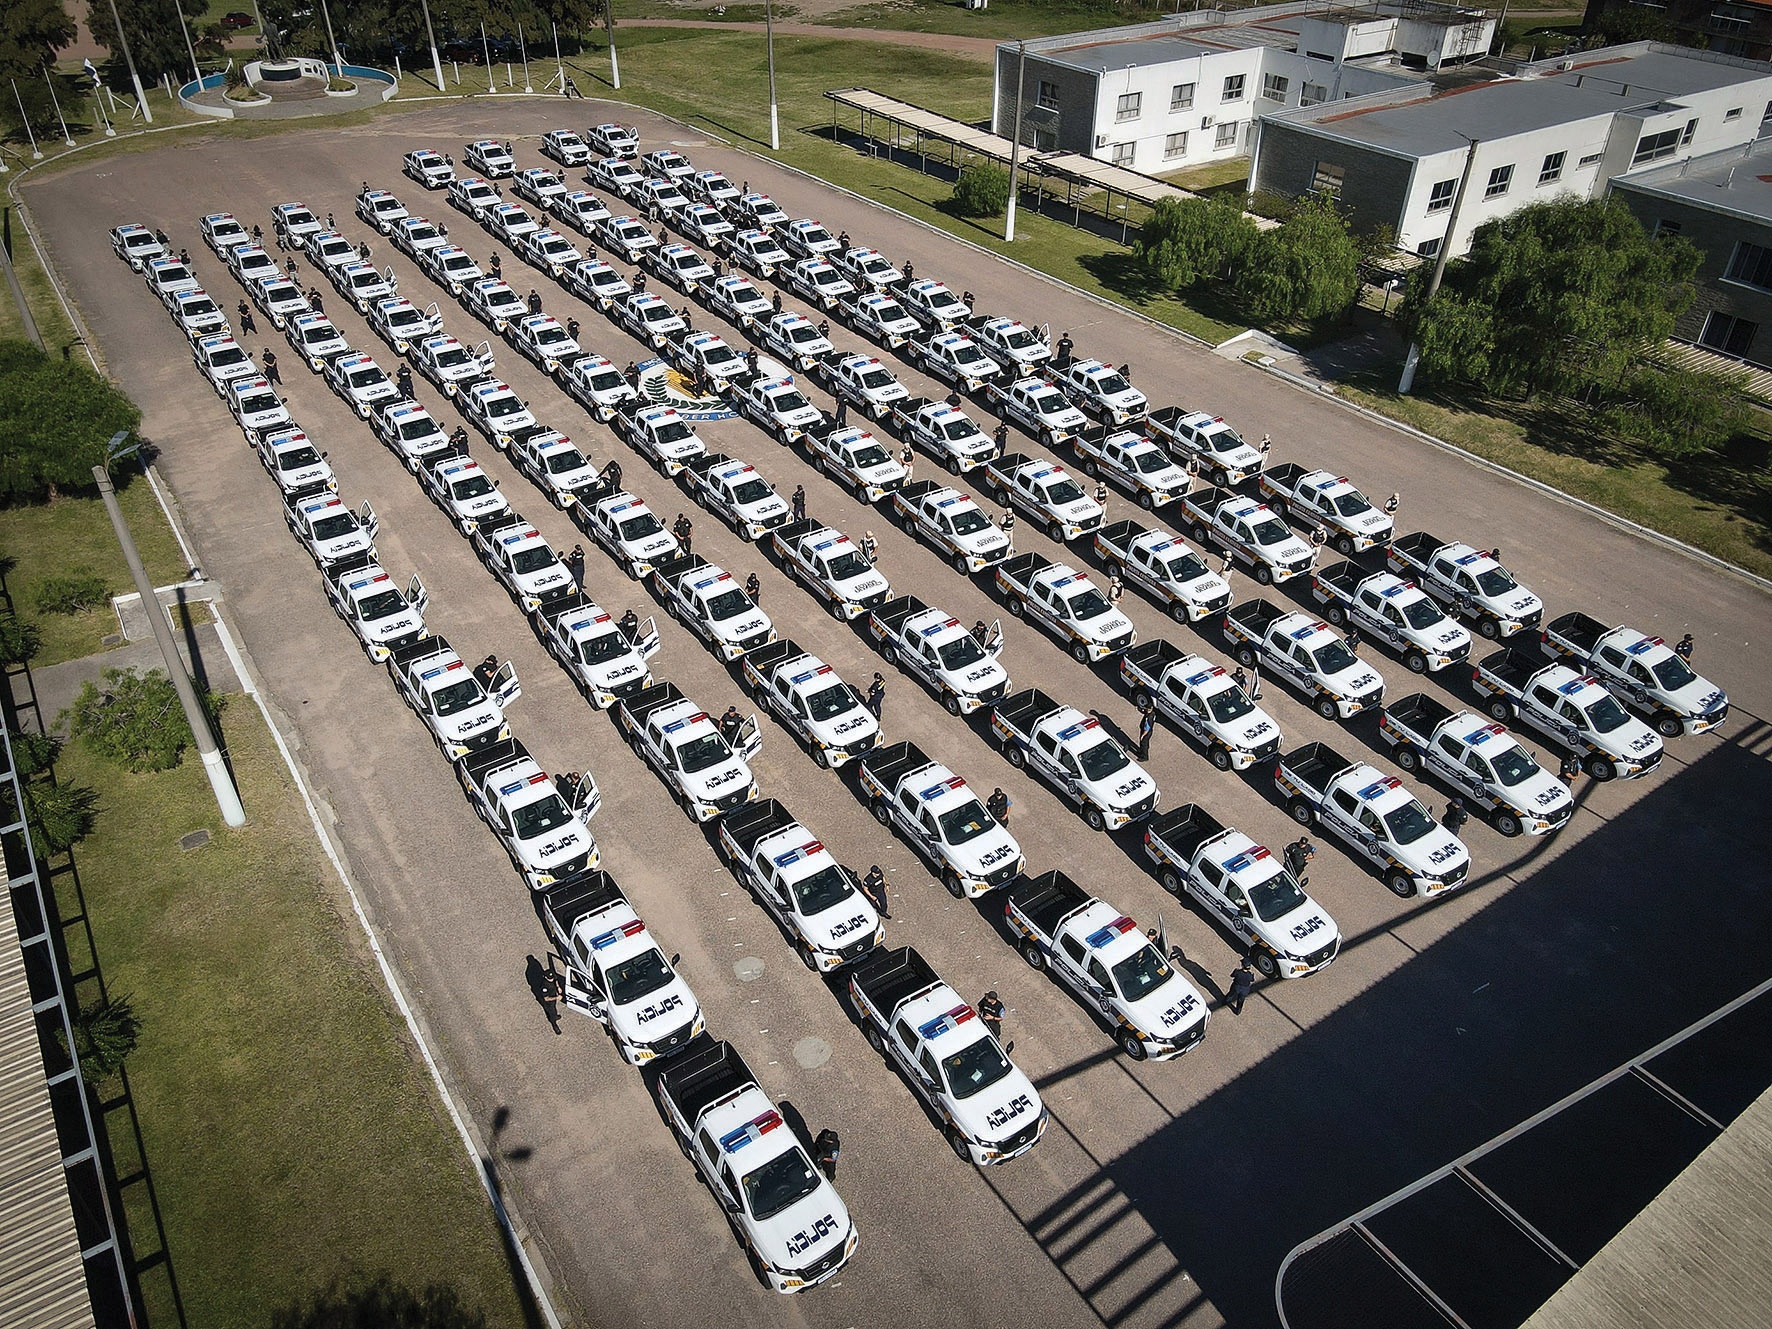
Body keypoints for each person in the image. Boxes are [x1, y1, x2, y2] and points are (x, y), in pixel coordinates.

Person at [538, 963, 564, 1035]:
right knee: (551, 1012)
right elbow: (546, 998)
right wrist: (557, 997)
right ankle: (554, 1024)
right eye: (550, 979)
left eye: (552, 978)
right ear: (546, 977)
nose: (551, 979)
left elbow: (556, 980)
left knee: (554, 1008)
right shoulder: (544, 986)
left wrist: (558, 987)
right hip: (548, 1002)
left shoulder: (552, 976)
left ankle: (555, 1016)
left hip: (553, 995)